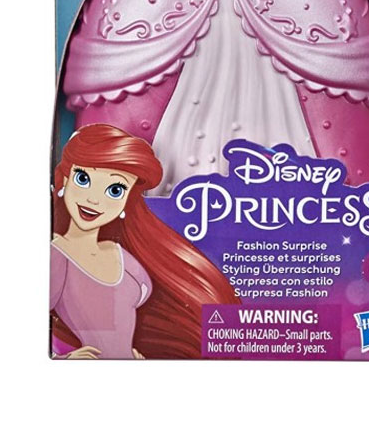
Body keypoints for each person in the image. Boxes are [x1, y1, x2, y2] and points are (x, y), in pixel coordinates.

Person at [51, 124, 237, 358]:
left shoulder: (125, 260)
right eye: (83, 179)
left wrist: (136, 354)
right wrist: (64, 358)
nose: (94, 200)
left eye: (115, 190)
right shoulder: (58, 256)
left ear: (127, 200)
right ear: (66, 179)